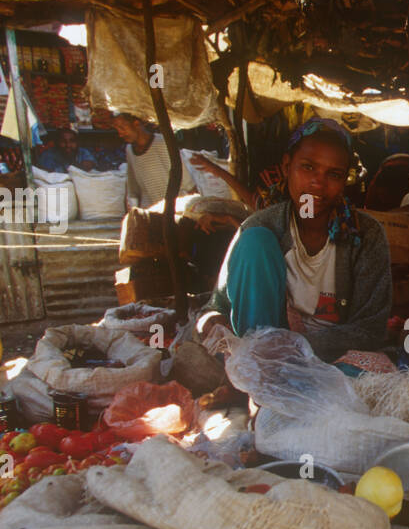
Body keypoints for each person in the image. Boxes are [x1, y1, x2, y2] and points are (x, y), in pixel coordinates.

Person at [200, 117, 392, 369]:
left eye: (333, 174)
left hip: (331, 359)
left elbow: (371, 329)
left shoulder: (366, 235)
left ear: (345, 180)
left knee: (367, 373)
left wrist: (295, 344)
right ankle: (258, 371)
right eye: (308, 167)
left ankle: (267, 378)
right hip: (262, 359)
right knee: (255, 241)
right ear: (287, 166)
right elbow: (214, 309)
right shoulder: (259, 226)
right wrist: (213, 323)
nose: (318, 182)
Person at [111, 113, 193, 210]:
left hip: (175, 208)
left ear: (136, 124)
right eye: (117, 129)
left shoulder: (163, 143)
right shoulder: (129, 150)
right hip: (149, 211)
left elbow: (187, 182)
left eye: (122, 127)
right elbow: (133, 188)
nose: (120, 133)